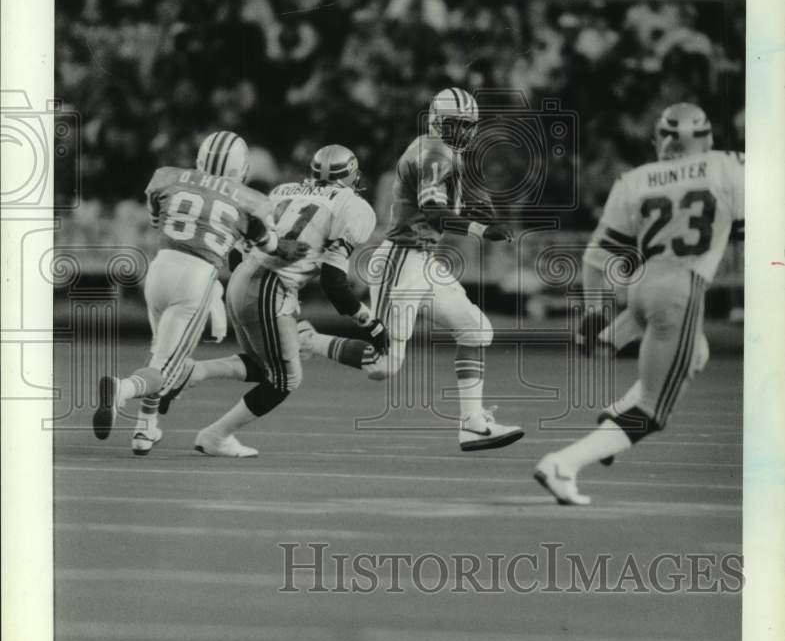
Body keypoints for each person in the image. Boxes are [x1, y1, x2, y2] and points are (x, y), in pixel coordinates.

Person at [534, 102, 744, 505]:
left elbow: (595, 259)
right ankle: (564, 464)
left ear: (659, 141)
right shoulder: (728, 166)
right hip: (681, 288)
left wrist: (594, 314)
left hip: (642, 284)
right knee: (652, 412)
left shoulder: (636, 179)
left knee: (696, 351)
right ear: (707, 139)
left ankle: (613, 393)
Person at [299, 88, 524, 451]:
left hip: (423, 260)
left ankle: (473, 423)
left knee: (476, 329)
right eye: (456, 124)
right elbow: (434, 212)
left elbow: (441, 207)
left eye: (468, 126)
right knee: (383, 365)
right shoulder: (434, 152)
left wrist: (474, 211)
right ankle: (307, 340)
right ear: (437, 120)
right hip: (401, 261)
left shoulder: (439, 149)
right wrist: (482, 229)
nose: (463, 132)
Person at [164, 145, 388, 457]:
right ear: (352, 175)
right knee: (285, 380)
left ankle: (193, 372)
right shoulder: (354, 207)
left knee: (264, 365)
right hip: (270, 288)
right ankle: (215, 435)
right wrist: (371, 322)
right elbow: (333, 283)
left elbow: (239, 241)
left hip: (243, 277)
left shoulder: (283, 191)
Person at [92, 131, 305, 455]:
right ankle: (122, 389)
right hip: (196, 278)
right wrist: (286, 248)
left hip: (159, 269)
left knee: (160, 352)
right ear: (241, 168)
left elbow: (155, 219)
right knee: (166, 370)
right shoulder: (249, 199)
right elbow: (268, 244)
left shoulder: (168, 177)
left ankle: (145, 428)